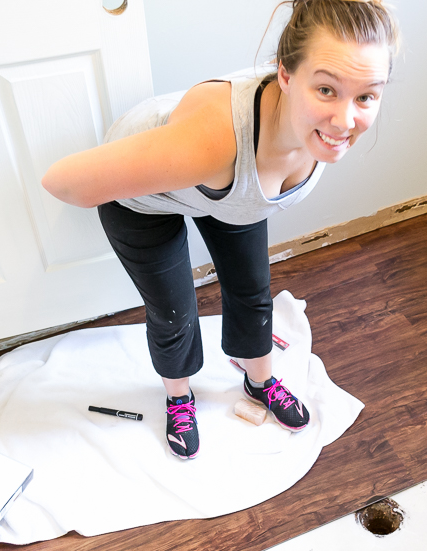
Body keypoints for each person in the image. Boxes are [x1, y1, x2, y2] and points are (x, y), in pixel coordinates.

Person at [42, 0, 400, 460]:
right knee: (175, 312)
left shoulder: (319, 131)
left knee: (252, 291)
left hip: (230, 189)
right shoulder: (213, 140)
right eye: (327, 90)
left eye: (366, 96)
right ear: (285, 76)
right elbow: (61, 181)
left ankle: (259, 380)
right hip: (147, 202)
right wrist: (157, 164)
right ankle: (178, 397)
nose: (346, 121)